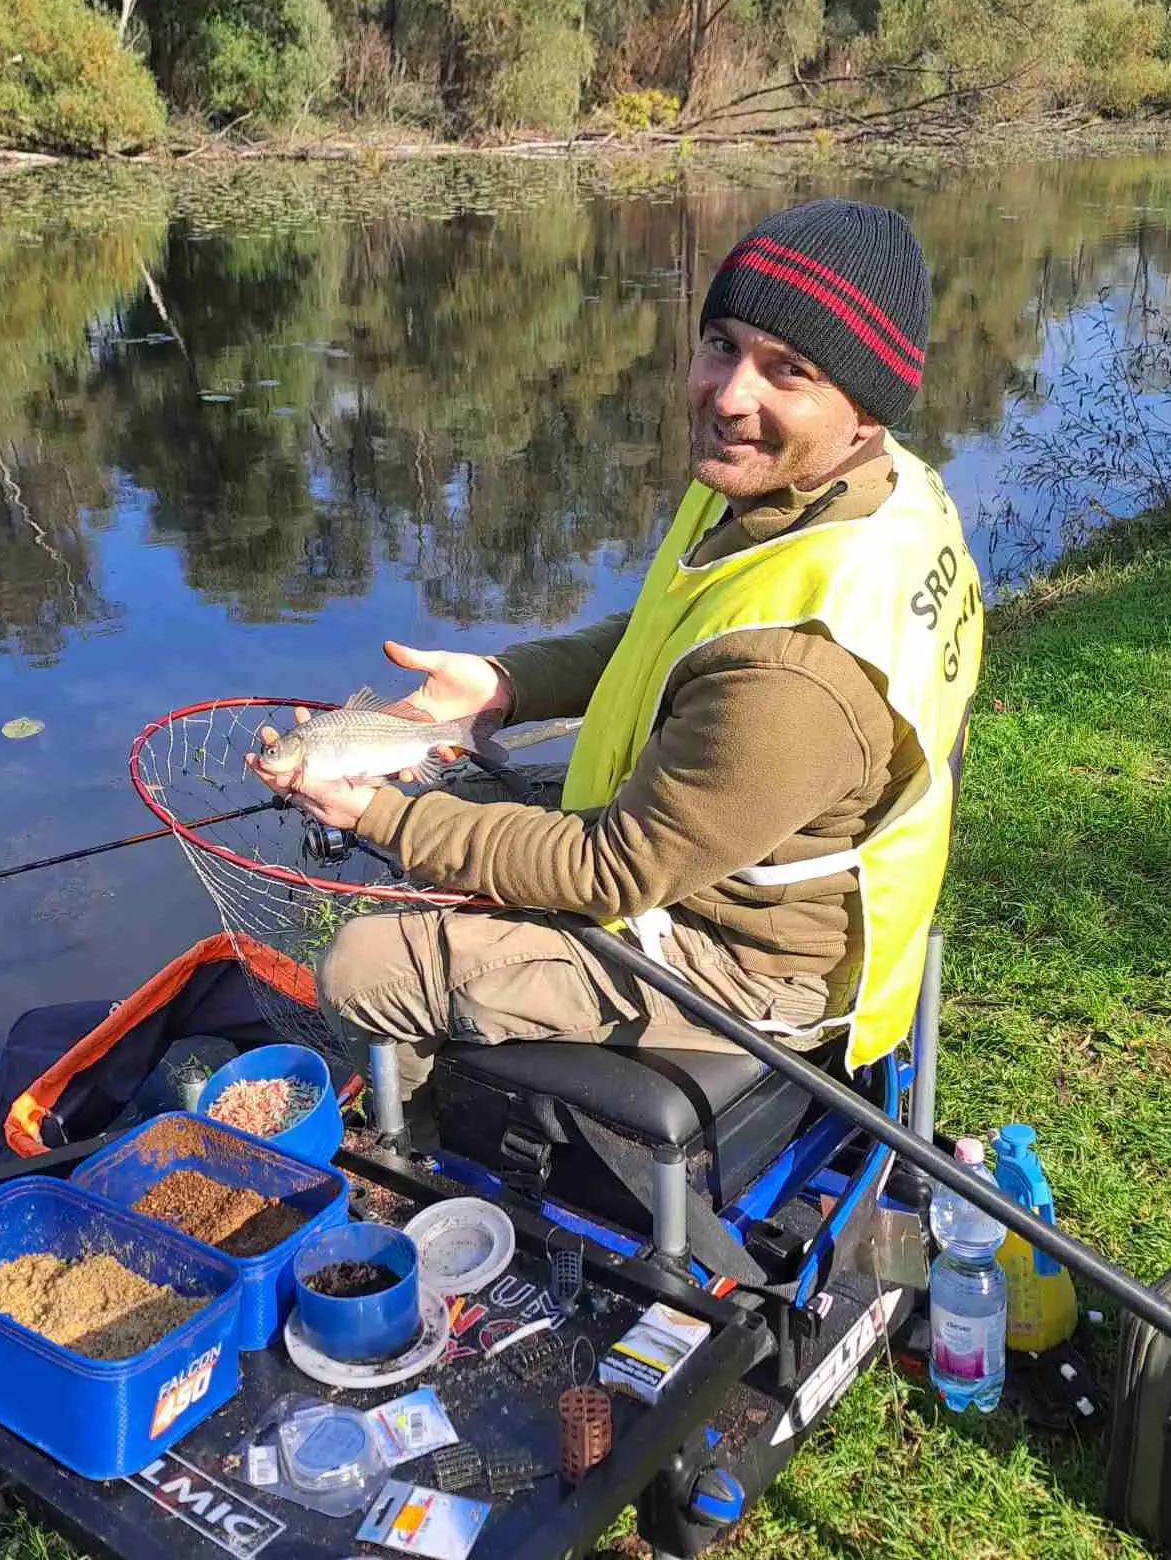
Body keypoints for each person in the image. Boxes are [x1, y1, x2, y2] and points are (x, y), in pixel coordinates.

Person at [248, 197, 984, 1144]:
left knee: (363, 962)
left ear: (866, 405)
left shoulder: (801, 673)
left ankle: (427, 1148)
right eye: (721, 344)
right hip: (726, 851)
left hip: (746, 961)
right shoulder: (845, 494)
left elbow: (614, 868)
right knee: (462, 825)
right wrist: (504, 683)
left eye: (787, 371)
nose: (727, 397)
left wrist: (380, 815)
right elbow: (672, 630)